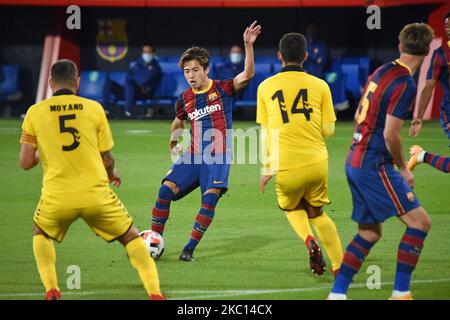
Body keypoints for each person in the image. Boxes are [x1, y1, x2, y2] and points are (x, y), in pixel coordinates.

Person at [20, 59, 164, 300]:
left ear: (49, 83)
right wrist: (112, 174)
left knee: (41, 233)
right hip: (96, 195)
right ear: (77, 83)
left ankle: (52, 290)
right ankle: (155, 294)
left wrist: (44, 146)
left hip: (57, 197)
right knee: (130, 237)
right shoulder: (94, 108)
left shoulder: (35, 112)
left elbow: (25, 163)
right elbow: (106, 157)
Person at [328, 23, 434, 300]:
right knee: (420, 223)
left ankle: (337, 295)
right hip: (373, 164)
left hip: (354, 159)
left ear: (400, 46)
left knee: (370, 233)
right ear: (426, 51)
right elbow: (390, 135)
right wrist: (402, 169)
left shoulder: (381, 71)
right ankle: (401, 294)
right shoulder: (405, 83)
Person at [149, 21, 261, 262]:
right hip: (193, 154)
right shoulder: (184, 99)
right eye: (186, 71)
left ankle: (189, 248)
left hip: (218, 155)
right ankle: (153, 243)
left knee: (209, 199)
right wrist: (173, 141)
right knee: (164, 192)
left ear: (206, 69)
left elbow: (248, 74)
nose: (191, 75)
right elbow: (178, 123)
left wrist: (248, 46)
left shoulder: (223, 89)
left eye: (195, 70)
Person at [257, 32, 343, 277]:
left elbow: (266, 133)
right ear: (306, 56)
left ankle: (309, 241)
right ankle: (339, 266)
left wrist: (266, 168)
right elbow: (329, 130)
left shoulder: (265, 87)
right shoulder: (321, 85)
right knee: (317, 212)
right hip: (317, 161)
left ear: (279, 56)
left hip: (285, 165)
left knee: (291, 207)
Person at [409, 12, 450, 141]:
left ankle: (422, 156)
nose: (448, 29)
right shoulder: (440, 54)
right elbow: (428, 87)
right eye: (447, 26)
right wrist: (419, 118)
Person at [124, 45, 162, 117]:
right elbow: (129, 76)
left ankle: (128, 110)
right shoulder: (136, 64)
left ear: (153, 53)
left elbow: (144, 80)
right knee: (109, 82)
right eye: (144, 52)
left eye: (148, 52)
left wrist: (135, 77)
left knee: (129, 82)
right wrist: (137, 78)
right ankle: (106, 110)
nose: (146, 54)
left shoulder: (156, 67)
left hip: (144, 93)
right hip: (131, 92)